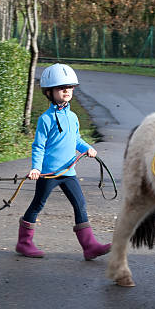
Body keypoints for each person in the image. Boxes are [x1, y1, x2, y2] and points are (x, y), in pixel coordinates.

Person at [15, 63, 111, 259]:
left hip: (69, 172)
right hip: (49, 173)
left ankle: (89, 246)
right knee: (38, 204)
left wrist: (88, 148)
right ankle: (24, 243)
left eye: (70, 87)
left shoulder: (73, 117)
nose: (67, 90)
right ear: (49, 92)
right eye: (61, 87)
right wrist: (36, 168)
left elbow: (75, 138)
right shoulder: (45, 119)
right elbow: (38, 146)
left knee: (80, 204)